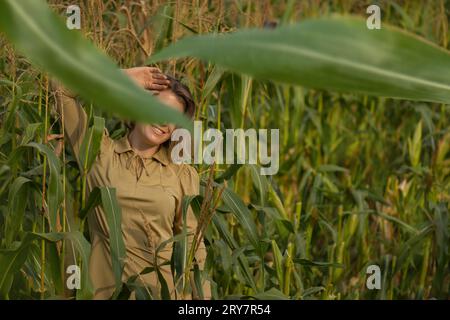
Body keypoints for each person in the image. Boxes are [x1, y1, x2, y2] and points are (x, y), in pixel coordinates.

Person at [52, 66, 210, 300]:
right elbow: (60, 88)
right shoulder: (97, 152)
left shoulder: (182, 174)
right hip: (104, 293)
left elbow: (193, 247)